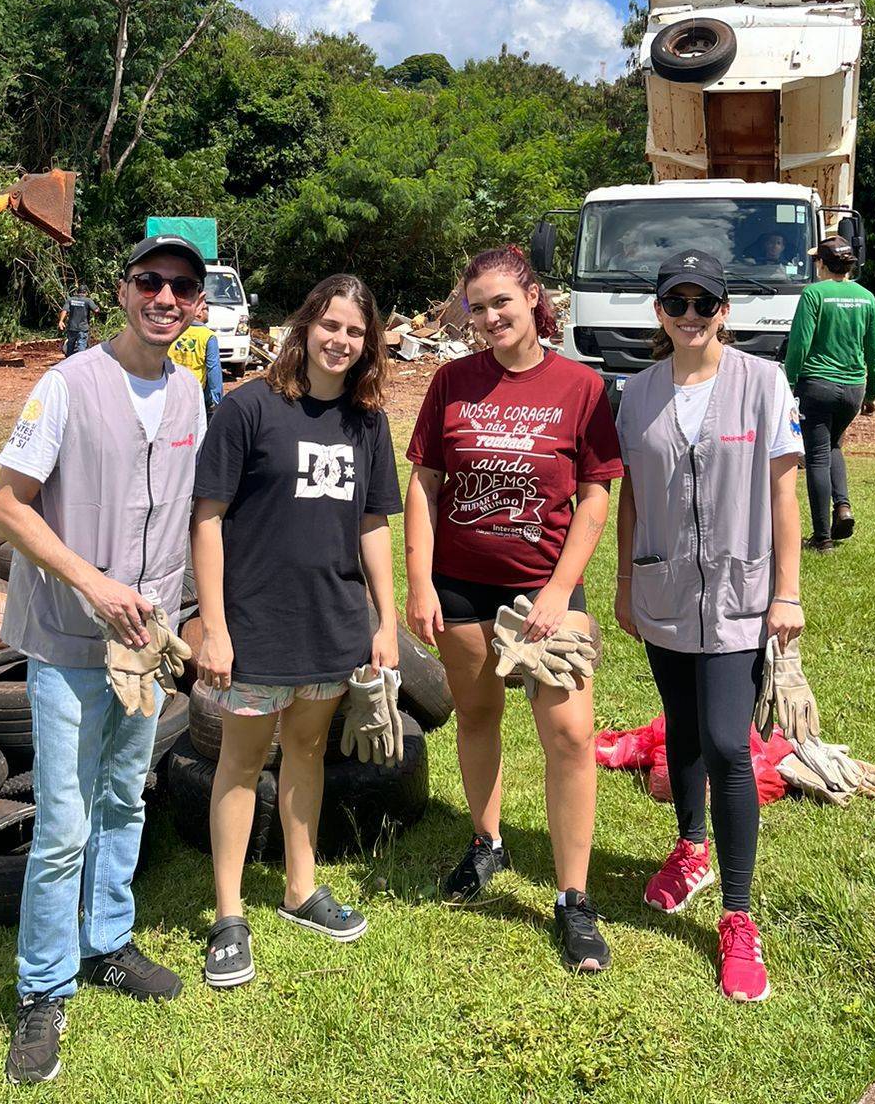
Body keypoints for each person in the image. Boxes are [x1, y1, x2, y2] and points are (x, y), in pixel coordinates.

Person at [0, 234, 207, 1085]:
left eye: (181, 286)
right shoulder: (66, 385)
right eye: (150, 281)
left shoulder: (191, 393)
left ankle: (107, 942)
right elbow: (9, 506)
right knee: (62, 824)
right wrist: (92, 582)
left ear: (196, 304)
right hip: (71, 641)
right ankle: (43, 988)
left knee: (125, 797)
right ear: (122, 291)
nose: (165, 297)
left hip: (145, 647)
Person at [405, 245, 623, 973]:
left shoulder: (581, 387)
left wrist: (560, 590)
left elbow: (595, 495)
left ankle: (573, 898)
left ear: (533, 296)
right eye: (478, 306)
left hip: (545, 586)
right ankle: (487, 841)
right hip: (460, 585)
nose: (491, 316)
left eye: (502, 300)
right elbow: (425, 482)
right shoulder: (451, 382)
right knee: (477, 716)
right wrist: (419, 579)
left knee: (570, 735)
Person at [192, 274, 402, 990]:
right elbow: (208, 518)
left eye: (356, 331)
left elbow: (372, 524)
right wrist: (214, 627)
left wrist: (385, 620)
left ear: (369, 343)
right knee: (242, 762)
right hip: (257, 626)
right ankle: (228, 916)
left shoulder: (368, 423)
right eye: (330, 325)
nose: (340, 341)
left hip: (333, 624)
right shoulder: (249, 408)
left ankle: (300, 889)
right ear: (306, 326)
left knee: (308, 751)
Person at [614, 248, 803, 1003]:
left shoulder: (763, 383)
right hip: (663, 591)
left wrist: (788, 594)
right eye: (676, 303)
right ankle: (690, 846)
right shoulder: (637, 394)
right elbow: (630, 496)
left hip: (741, 595)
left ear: (724, 310)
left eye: (703, 303)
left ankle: (738, 914)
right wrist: (625, 581)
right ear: (659, 312)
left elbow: (784, 495)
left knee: (728, 743)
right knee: (683, 730)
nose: (690, 316)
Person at [785, 235, 875, 552]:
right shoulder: (866, 297)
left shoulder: (814, 293)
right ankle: (843, 506)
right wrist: (872, 393)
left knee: (816, 457)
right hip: (853, 388)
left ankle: (822, 537)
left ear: (823, 264)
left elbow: (799, 344)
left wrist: (788, 383)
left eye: (817, 260)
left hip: (817, 385)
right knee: (834, 445)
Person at [170, 289, 225, 416]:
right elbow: (214, 369)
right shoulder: (208, 336)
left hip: (172, 390)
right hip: (194, 393)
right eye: (206, 309)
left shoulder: (175, 330)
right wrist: (217, 400)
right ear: (199, 312)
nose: (208, 313)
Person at [58, 286, 98, 357]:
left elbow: (64, 310)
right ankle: (80, 361)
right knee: (81, 347)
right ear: (86, 292)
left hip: (72, 328)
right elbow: (96, 310)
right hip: (82, 328)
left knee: (70, 346)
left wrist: (61, 321)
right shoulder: (88, 301)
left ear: (77, 292)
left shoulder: (70, 300)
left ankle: (69, 361)